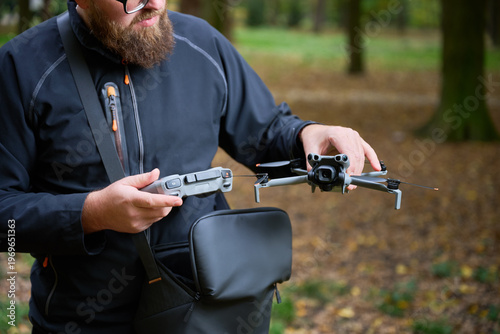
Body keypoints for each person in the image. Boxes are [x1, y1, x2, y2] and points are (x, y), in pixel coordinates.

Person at [0, 0, 381, 332]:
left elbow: (265, 131)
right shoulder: (21, 68)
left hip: (203, 313)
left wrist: (309, 134)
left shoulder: (203, 43)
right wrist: (89, 215)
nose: (153, 3)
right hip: (81, 320)